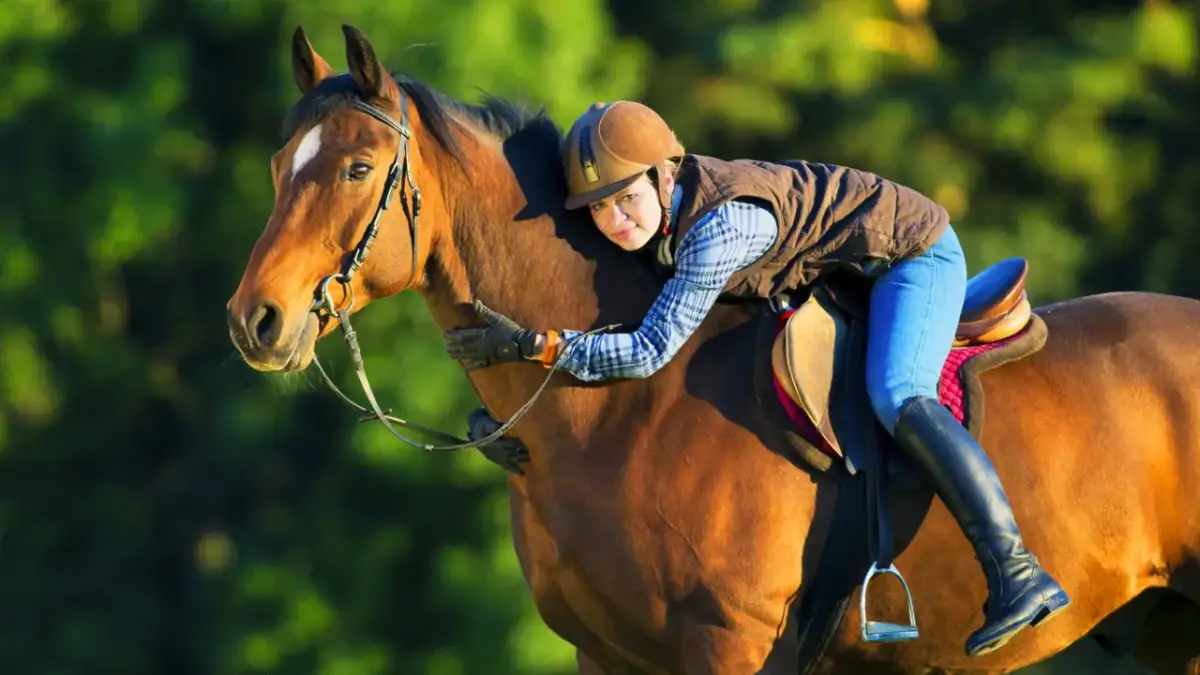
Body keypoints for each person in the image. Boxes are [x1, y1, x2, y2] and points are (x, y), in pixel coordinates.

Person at [443, 100, 1070, 657]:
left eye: (625, 198)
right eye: (600, 209)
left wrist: (538, 347)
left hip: (911, 253)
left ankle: (1016, 569)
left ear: (666, 175)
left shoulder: (718, 230)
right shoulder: (660, 221)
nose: (615, 222)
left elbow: (649, 349)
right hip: (837, 260)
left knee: (897, 392)